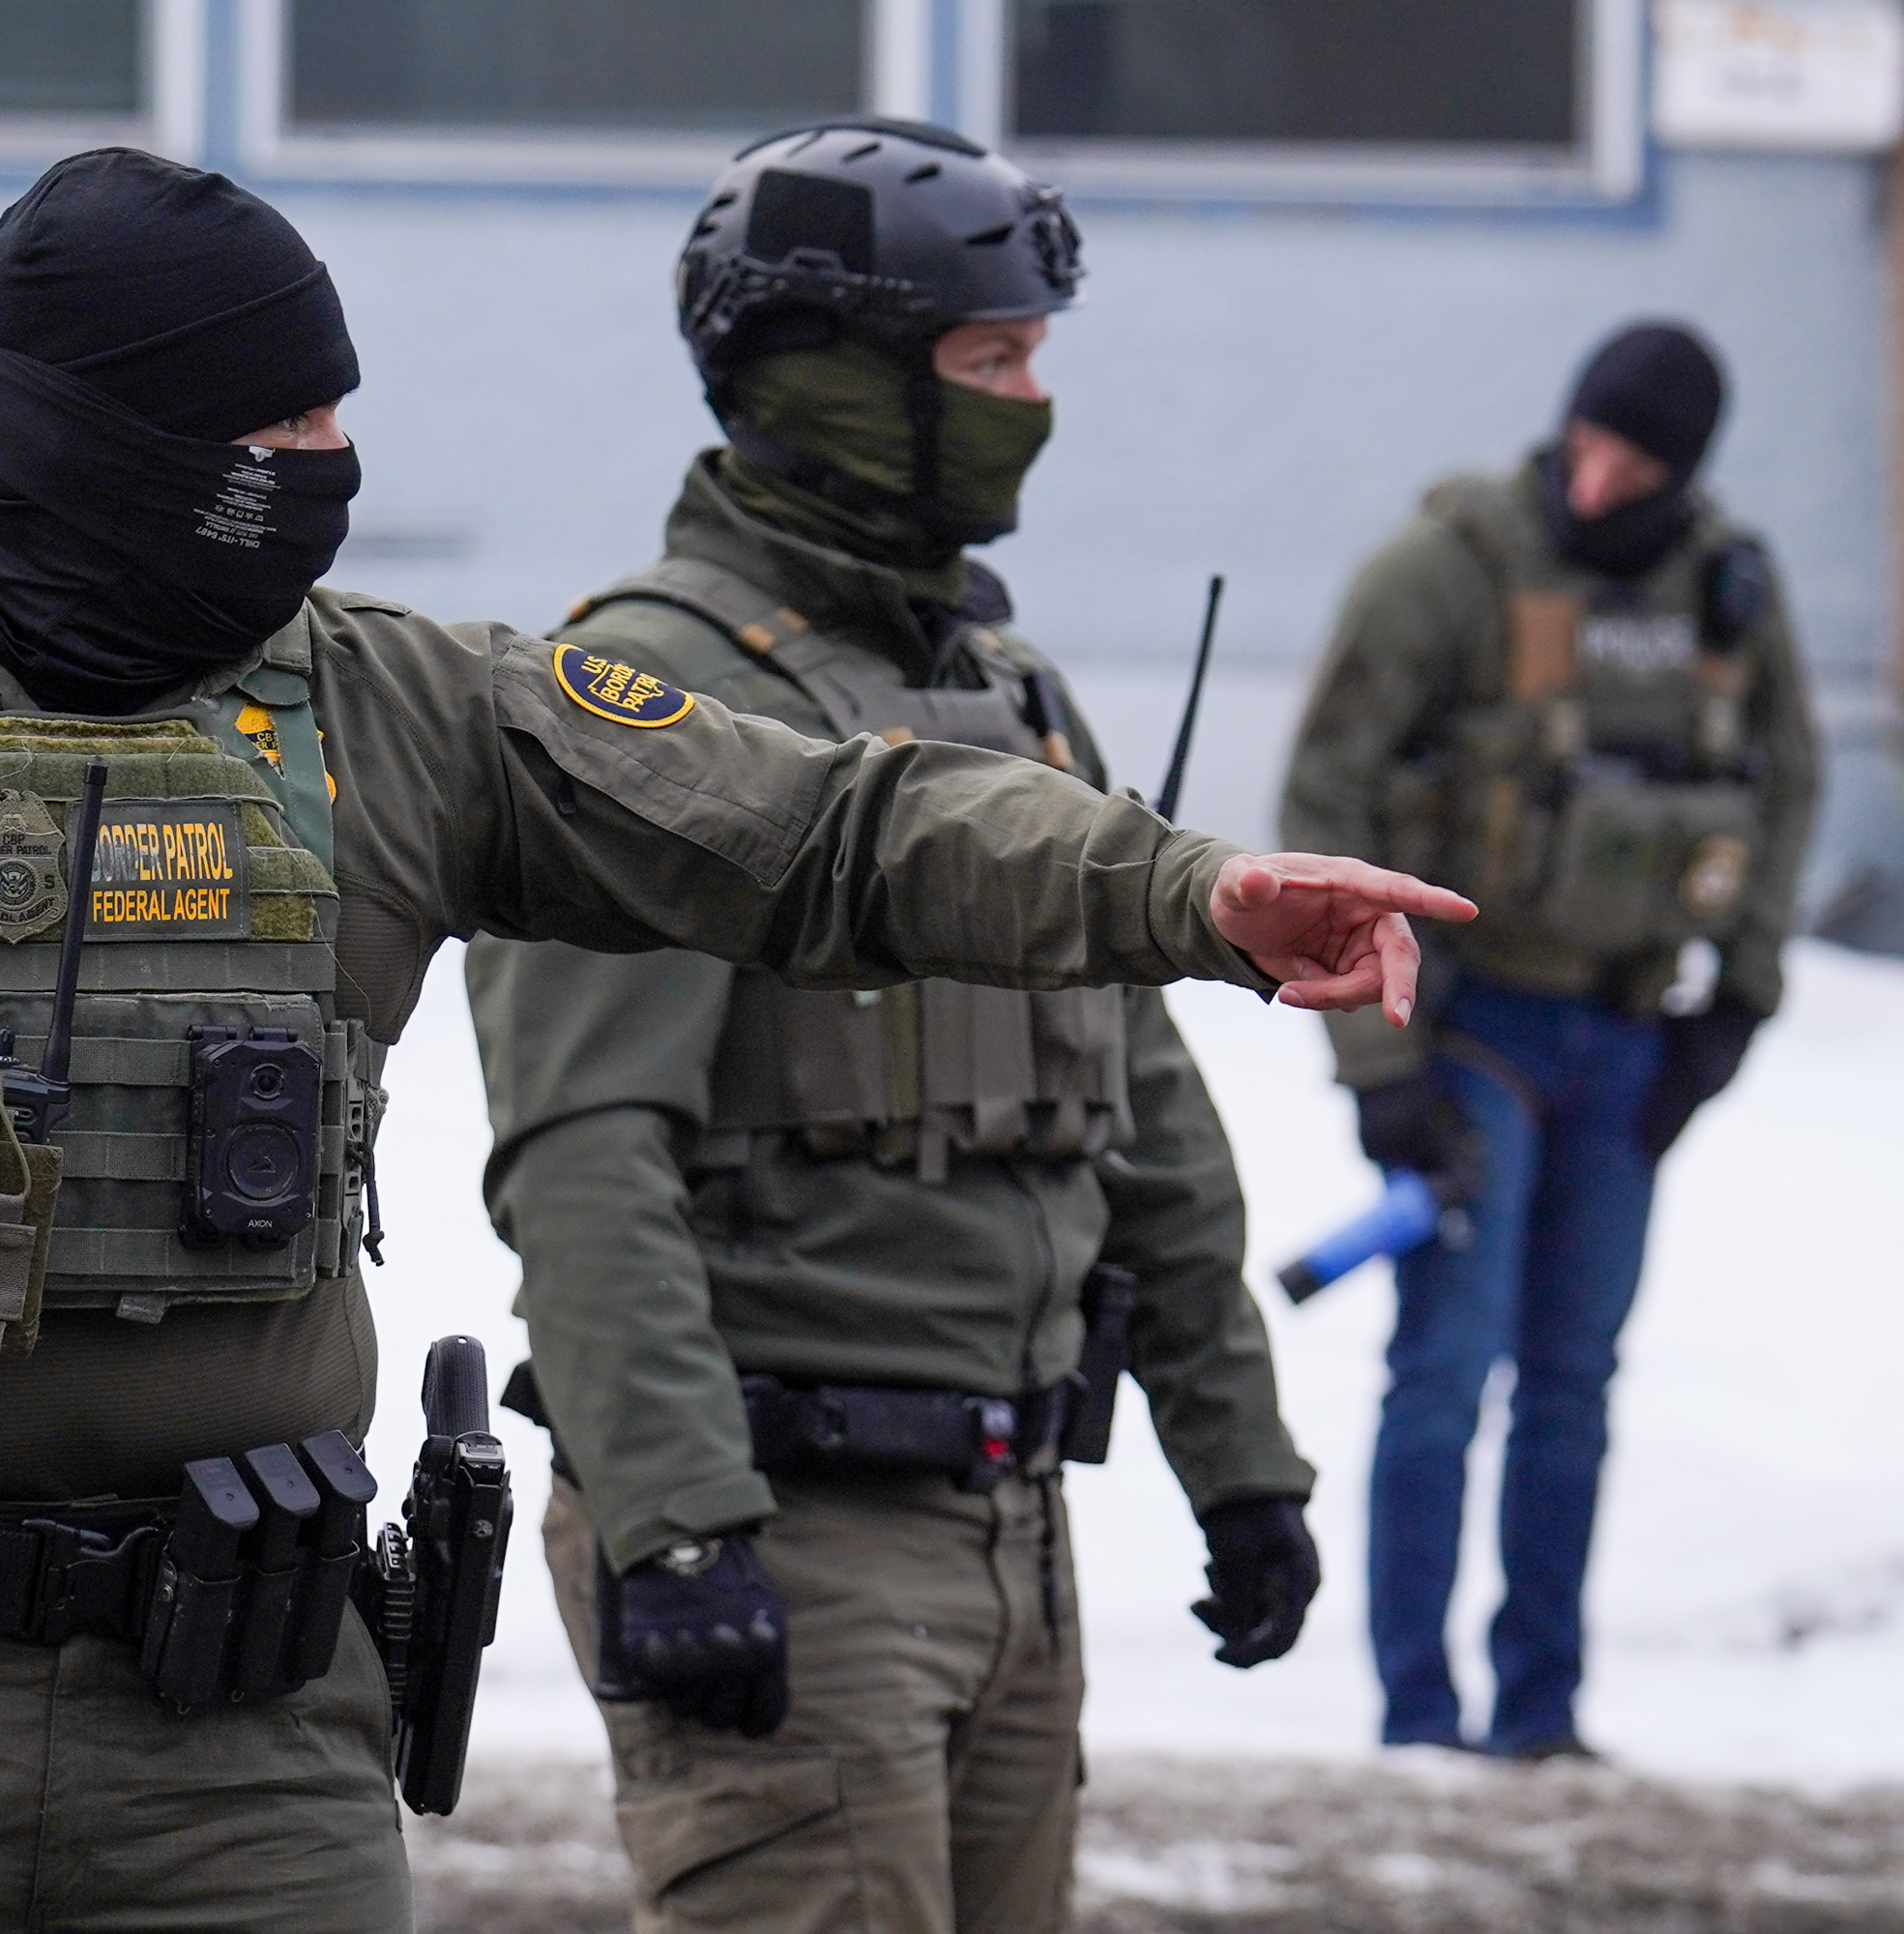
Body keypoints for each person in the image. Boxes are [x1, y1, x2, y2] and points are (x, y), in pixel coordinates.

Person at [0, 149, 1466, 1933]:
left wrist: (1182, 894)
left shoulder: (403, 711)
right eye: (287, 432)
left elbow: (821, 830)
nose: (339, 469)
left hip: (247, 1739)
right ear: (112, 439)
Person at [464, 117, 1323, 1934]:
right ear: (830, 382)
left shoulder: (1010, 696)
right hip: (795, 1533)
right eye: (988, 363)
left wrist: (1239, 1464)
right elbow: (581, 1153)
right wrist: (680, 1523)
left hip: (1018, 1524)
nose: (1032, 404)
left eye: (1033, 361)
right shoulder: (648, 696)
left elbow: (1143, 1106)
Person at [1279, 321, 1819, 1760]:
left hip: (1632, 1034)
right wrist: (1381, 1069)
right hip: (1475, 1028)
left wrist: (1743, 997)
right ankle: (1417, 1718)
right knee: (1447, 1371)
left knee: (1573, 1382)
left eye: (1634, 461)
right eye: (1586, 444)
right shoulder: (1449, 570)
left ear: (1684, 468)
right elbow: (1326, 798)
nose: (1597, 483)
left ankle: (1542, 1712)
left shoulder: (1725, 591)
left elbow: (1791, 779)